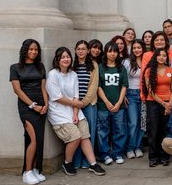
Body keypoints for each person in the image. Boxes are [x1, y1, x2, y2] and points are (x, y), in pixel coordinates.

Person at [46, 47, 106, 176]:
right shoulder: (53, 74)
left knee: (85, 135)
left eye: (68, 57)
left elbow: (75, 95)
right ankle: (67, 162)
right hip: (59, 113)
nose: (66, 59)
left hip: (74, 110)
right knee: (75, 137)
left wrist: (75, 113)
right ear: (57, 59)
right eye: (63, 57)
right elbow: (57, 97)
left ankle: (93, 164)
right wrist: (76, 104)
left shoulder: (73, 74)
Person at [10, 39, 48, 185]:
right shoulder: (15, 67)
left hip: (41, 106)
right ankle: (27, 172)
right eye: (31, 49)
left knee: (39, 138)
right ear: (25, 50)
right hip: (27, 107)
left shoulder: (40, 67)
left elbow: (43, 87)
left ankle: (35, 169)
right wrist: (33, 105)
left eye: (36, 50)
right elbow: (17, 90)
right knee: (34, 139)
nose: (33, 52)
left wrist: (46, 104)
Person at [143, 48, 172, 167]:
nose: (162, 57)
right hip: (153, 103)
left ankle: (165, 156)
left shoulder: (171, 71)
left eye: (164, 55)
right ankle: (153, 157)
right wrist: (163, 103)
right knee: (153, 131)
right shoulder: (149, 71)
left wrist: (170, 105)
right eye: (159, 55)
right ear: (155, 57)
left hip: (168, 103)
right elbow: (150, 92)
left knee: (165, 130)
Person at [97, 42, 128, 165]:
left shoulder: (121, 68)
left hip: (118, 106)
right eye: (110, 51)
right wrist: (107, 102)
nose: (112, 54)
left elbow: (124, 86)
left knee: (119, 130)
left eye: (115, 51)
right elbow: (98, 87)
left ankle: (117, 153)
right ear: (106, 52)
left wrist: (119, 102)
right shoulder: (100, 68)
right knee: (102, 131)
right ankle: (104, 154)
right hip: (103, 106)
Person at [72, 40, 100, 169]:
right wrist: (76, 104)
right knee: (77, 134)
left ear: (88, 50)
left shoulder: (93, 65)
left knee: (89, 133)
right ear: (75, 50)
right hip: (73, 105)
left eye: (83, 49)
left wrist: (82, 103)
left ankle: (87, 161)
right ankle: (76, 161)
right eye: (79, 49)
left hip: (88, 104)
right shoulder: (72, 65)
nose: (81, 51)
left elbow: (93, 87)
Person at [122, 39, 145, 159]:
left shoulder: (147, 60)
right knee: (133, 122)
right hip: (131, 93)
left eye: (139, 47)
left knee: (142, 123)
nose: (137, 50)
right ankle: (130, 147)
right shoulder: (127, 62)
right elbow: (123, 79)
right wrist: (124, 95)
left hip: (144, 95)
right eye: (134, 48)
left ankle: (138, 147)